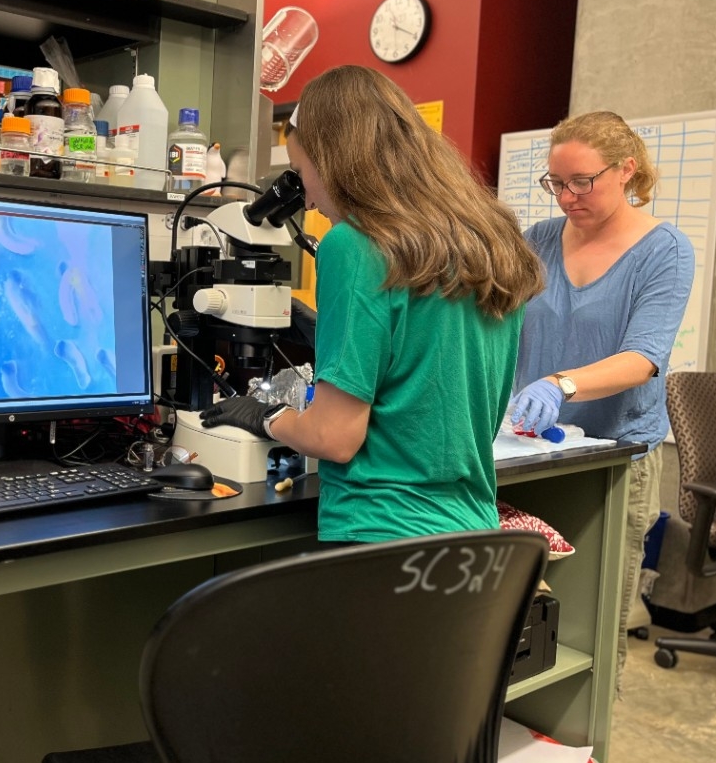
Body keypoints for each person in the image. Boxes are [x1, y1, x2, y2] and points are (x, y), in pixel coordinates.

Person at [201, 65, 544, 543]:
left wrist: (267, 416)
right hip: (472, 535)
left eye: (302, 173)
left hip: (380, 535)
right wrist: (335, 334)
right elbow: (431, 371)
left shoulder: (354, 244)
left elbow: (333, 438)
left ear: (334, 159)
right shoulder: (491, 243)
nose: (308, 201)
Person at [509, 111, 693, 687]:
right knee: (519, 612)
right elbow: (498, 320)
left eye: (582, 182)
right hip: (530, 452)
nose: (567, 197)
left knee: (594, 626)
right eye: (556, 183)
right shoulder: (540, 240)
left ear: (626, 169)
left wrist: (559, 384)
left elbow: (643, 357)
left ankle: (588, 730)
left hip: (613, 461)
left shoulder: (664, 251)